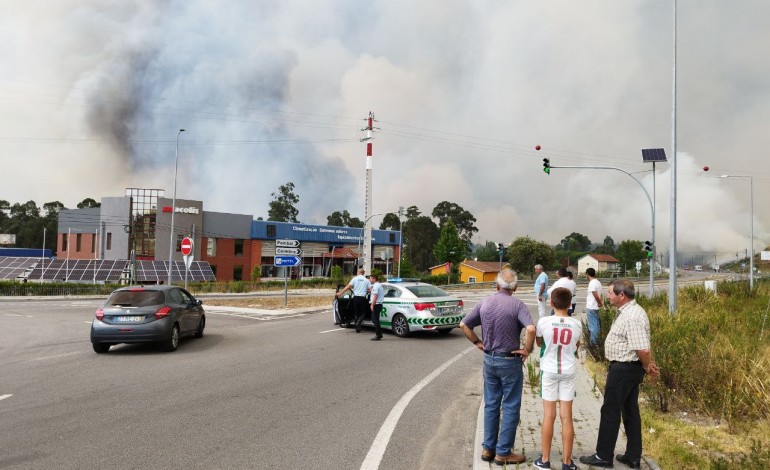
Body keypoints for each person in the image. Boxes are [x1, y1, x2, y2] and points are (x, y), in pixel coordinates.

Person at [580, 279, 660, 469]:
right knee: (630, 411)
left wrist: (648, 366)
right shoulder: (628, 312)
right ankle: (633, 457)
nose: (607, 296)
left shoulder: (632, 316)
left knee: (610, 411)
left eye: (610, 293)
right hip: (628, 368)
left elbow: (643, 349)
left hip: (624, 369)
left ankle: (603, 456)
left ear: (621, 295)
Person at [459, 269, 536, 466]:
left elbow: (463, 324)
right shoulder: (518, 305)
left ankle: (487, 448)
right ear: (516, 288)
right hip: (510, 361)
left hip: (489, 359)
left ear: (497, 285)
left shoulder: (485, 302)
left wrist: (478, 342)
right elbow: (531, 329)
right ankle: (503, 453)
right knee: (510, 405)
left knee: (491, 403)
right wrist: (526, 350)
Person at [534, 287, 582, 470]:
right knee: (566, 417)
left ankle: (545, 460)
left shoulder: (544, 322)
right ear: (570, 304)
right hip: (568, 371)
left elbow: (540, 343)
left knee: (549, 415)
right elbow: (576, 345)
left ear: (551, 303)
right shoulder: (577, 324)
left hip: (549, 370)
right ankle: (567, 462)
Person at [336, 268, 371, 332]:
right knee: (363, 313)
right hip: (362, 298)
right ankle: (358, 323)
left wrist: (340, 293)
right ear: (363, 273)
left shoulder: (354, 279)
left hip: (355, 298)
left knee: (356, 312)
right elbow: (370, 290)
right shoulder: (366, 280)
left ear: (358, 272)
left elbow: (348, 287)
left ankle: (357, 326)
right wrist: (366, 290)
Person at [585, 268, 603, 344]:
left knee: (592, 326)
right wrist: (600, 302)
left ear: (587, 274)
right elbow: (601, 294)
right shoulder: (598, 282)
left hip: (591, 306)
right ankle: (597, 340)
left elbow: (594, 294)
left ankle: (593, 343)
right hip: (596, 307)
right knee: (596, 324)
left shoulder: (592, 283)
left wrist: (599, 302)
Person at [368, 273, 384, 341]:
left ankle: (378, 335)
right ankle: (379, 334)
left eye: (370, 278)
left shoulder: (376, 286)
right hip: (379, 304)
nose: (369, 280)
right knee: (374, 319)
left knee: (375, 320)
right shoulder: (379, 285)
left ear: (374, 279)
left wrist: (372, 304)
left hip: (376, 304)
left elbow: (376, 295)